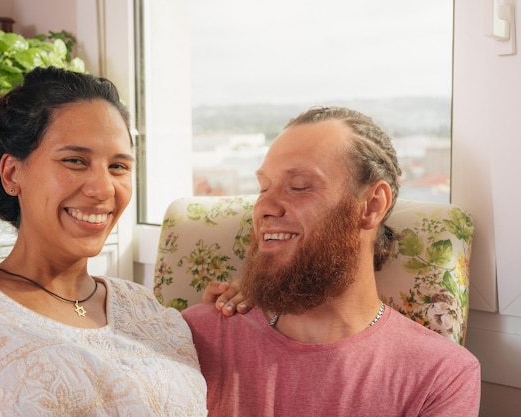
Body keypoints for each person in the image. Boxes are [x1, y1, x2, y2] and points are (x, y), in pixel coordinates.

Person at [0, 67, 207, 416]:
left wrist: (232, 307)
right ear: (13, 173)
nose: (104, 188)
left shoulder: (149, 313)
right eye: (75, 161)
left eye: (118, 167)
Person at [183, 106, 481, 417]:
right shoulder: (197, 334)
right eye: (263, 188)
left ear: (371, 206)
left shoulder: (441, 376)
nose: (264, 208)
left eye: (299, 186)